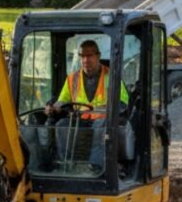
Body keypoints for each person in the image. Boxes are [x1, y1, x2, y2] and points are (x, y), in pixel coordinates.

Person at [45, 39, 128, 172]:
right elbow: (63, 100)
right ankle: (64, 163)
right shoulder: (72, 79)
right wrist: (53, 107)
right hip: (80, 120)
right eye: (82, 56)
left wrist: (100, 109)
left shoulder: (112, 76)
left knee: (101, 126)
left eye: (89, 55)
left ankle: (96, 167)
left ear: (98, 56)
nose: (85, 60)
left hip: (103, 120)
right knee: (62, 125)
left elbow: (122, 104)